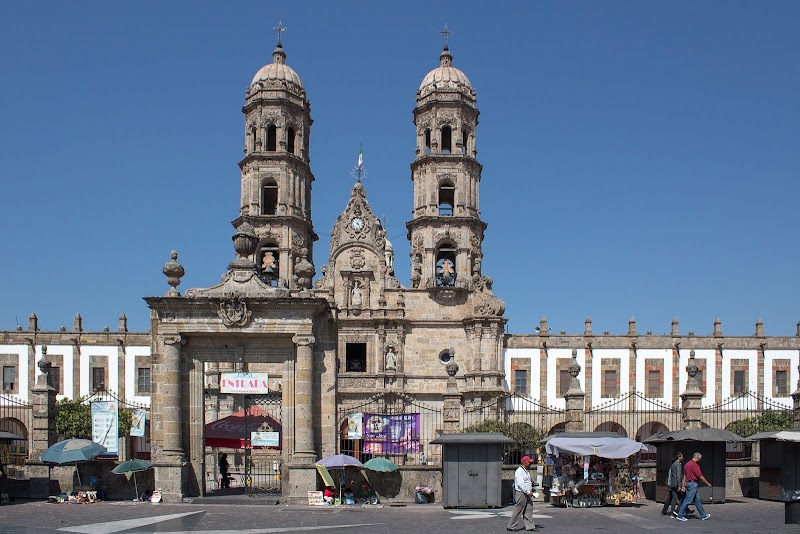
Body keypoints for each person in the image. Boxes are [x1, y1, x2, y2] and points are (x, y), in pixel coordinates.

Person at [675, 452, 712, 521]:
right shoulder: (695, 465)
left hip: (688, 483)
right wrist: (708, 483)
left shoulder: (686, 465)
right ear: (697, 457)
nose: (699, 460)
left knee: (696, 500)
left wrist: (683, 485)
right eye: (699, 459)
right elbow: (700, 476)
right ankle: (680, 515)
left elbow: (684, 476)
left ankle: (703, 515)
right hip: (693, 484)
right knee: (688, 499)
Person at [507, 455, 537, 532]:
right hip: (522, 493)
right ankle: (511, 526)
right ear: (524, 462)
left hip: (527, 492)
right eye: (529, 462)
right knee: (519, 509)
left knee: (529, 509)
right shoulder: (519, 471)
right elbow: (521, 484)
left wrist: (531, 489)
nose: (530, 464)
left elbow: (527, 482)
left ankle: (530, 526)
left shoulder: (525, 471)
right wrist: (527, 491)